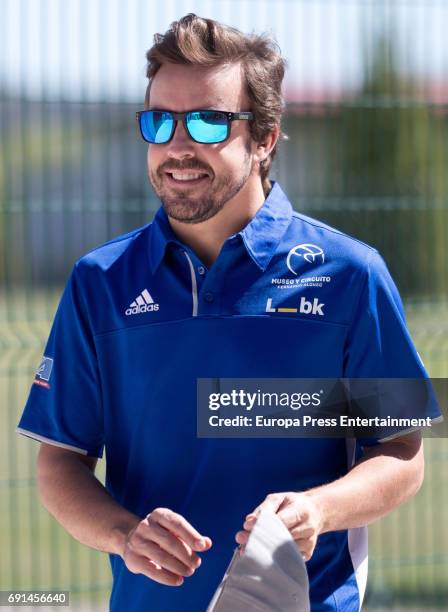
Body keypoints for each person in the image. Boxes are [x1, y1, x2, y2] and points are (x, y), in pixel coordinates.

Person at [16, 13, 441, 612]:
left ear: (265, 137)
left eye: (209, 123)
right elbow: (60, 462)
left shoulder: (350, 276)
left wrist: (320, 508)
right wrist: (124, 534)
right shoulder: (99, 282)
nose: (178, 145)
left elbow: (401, 454)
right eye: (159, 121)